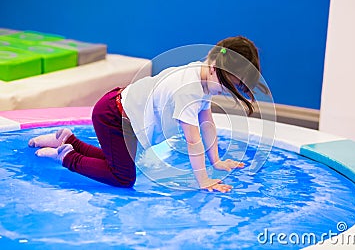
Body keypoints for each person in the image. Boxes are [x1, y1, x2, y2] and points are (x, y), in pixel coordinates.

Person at [28, 36, 265, 192]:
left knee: (118, 161)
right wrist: (203, 180)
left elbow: (207, 121)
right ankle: (66, 157)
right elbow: (193, 140)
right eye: (225, 86)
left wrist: (216, 161)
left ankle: (67, 140)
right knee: (123, 177)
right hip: (114, 116)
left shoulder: (204, 74)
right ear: (214, 68)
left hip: (120, 110)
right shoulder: (189, 90)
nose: (223, 92)